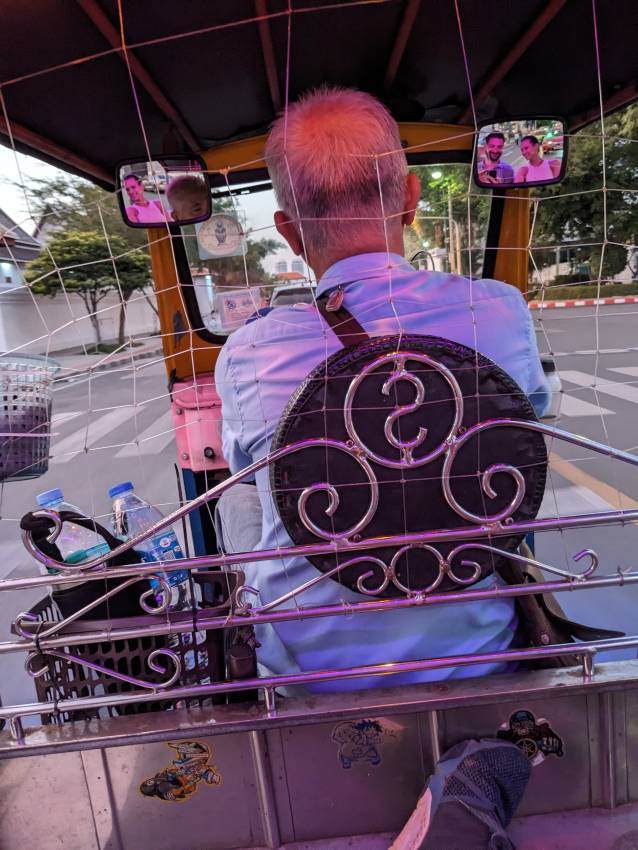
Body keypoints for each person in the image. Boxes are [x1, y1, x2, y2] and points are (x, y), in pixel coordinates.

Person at [214, 86, 550, 694]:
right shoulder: (498, 311)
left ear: (288, 232)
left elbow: (256, 480)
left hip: (310, 674)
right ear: (412, 200)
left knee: (237, 499)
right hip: (478, 651)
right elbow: (523, 436)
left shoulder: (250, 351)